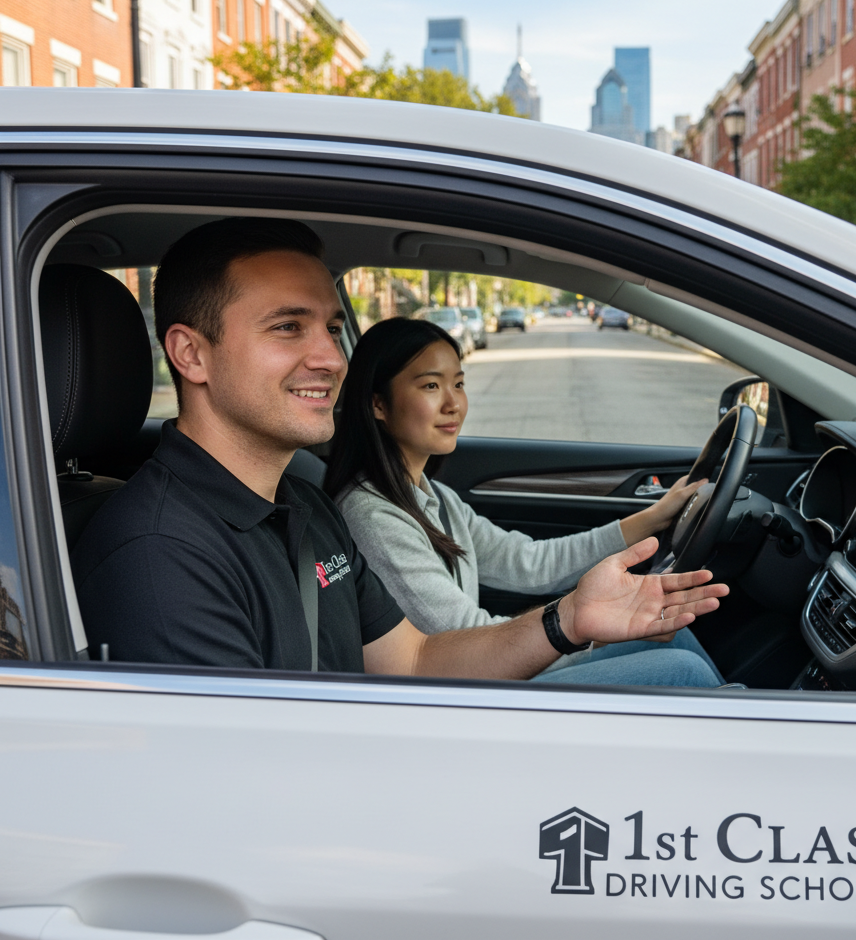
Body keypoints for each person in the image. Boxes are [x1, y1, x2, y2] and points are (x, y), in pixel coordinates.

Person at [72, 217, 728, 681]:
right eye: (287, 327)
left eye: (331, 328)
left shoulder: (302, 503)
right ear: (191, 354)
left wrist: (568, 621)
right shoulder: (158, 557)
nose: (331, 358)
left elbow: (416, 659)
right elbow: (246, 794)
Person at [326, 317, 726, 688]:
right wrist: (587, 632)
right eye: (431, 386)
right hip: (459, 693)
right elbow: (468, 635)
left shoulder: (434, 496)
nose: (453, 403)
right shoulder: (374, 518)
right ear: (378, 404)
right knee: (682, 671)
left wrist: (652, 518)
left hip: (485, 669)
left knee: (674, 637)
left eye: (459, 384)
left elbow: (527, 562)